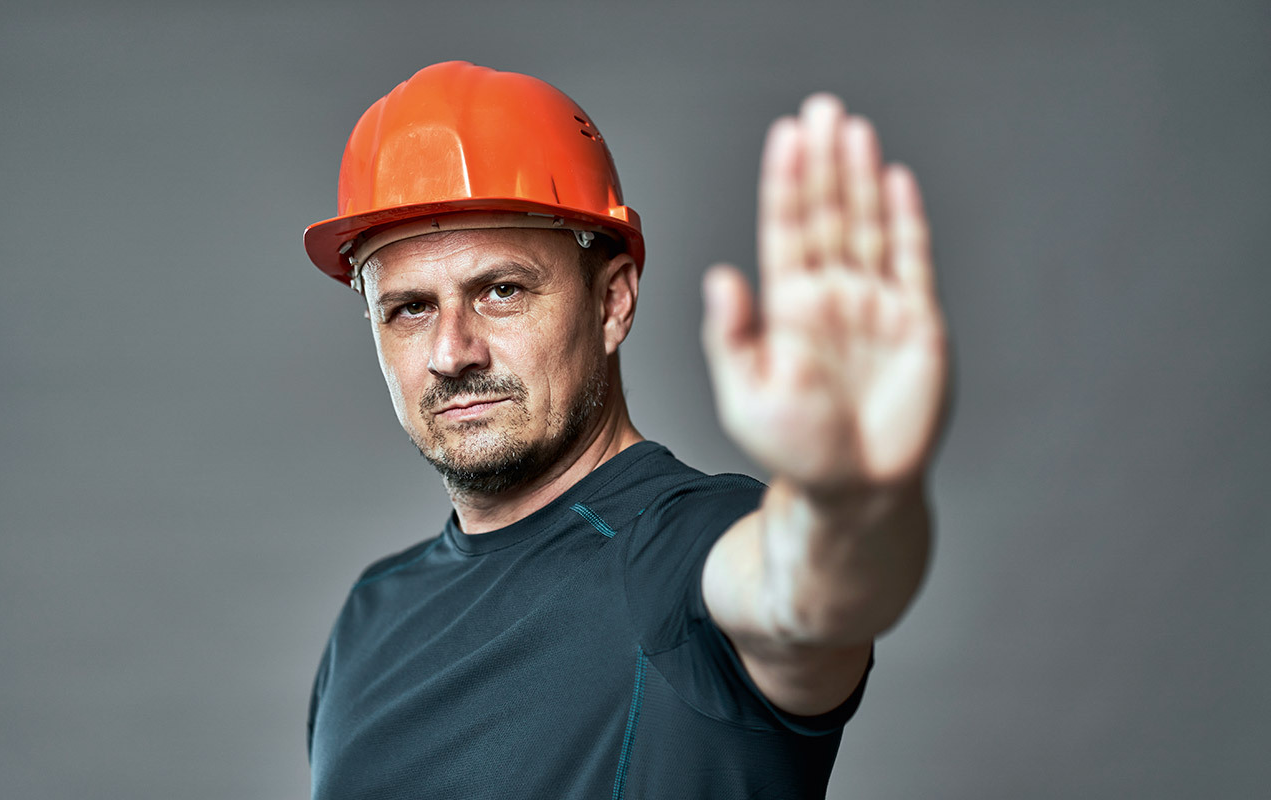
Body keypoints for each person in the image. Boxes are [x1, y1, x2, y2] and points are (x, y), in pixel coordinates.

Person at [303, 61, 947, 799]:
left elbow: (813, 595)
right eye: (410, 308)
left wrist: (850, 498)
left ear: (612, 302)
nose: (452, 352)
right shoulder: (370, 616)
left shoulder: (686, 552)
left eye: (502, 290)